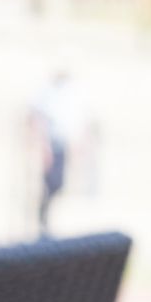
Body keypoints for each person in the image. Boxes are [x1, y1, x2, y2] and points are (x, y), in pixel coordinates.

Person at [27, 67, 86, 235]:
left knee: (59, 184)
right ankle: (42, 222)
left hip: (64, 143)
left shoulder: (72, 93)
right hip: (52, 143)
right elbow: (39, 118)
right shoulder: (48, 93)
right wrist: (43, 145)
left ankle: (44, 220)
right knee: (50, 182)